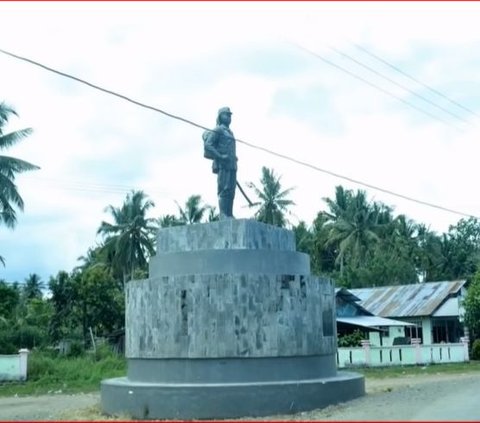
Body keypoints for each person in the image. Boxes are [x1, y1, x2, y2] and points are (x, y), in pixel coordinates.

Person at [203, 107, 237, 219]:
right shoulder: (218, 130)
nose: (229, 117)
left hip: (232, 165)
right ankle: (223, 214)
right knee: (224, 188)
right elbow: (208, 145)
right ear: (220, 116)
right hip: (223, 164)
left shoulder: (230, 132)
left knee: (231, 190)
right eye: (226, 115)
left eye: (230, 115)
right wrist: (220, 156)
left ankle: (229, 214)